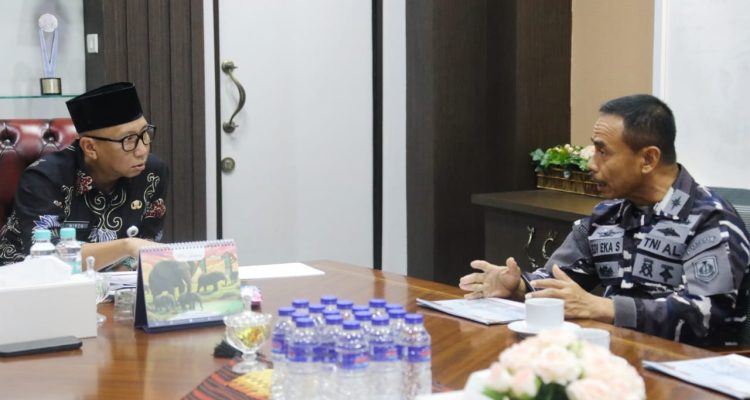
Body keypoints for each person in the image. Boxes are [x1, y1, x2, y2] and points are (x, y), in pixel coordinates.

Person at [459, 94, 750, 346]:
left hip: (685, 369)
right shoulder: (607, 217)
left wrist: (604, 308)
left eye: (603, 152)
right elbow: (560, 281)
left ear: (648, 159)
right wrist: (519, 287)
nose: (591, 164)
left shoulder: (709, 219)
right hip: (614, 355)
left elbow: (707, 316)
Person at [0, 82, 169, 269]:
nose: (142, 150)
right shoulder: (44, 178)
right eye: (128, 140)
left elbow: (147, 245)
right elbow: (46, 258)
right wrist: (126, 247)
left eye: (145, 133)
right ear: (90, 147)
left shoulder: (152, 173)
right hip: (28, 281)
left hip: (114, 282)